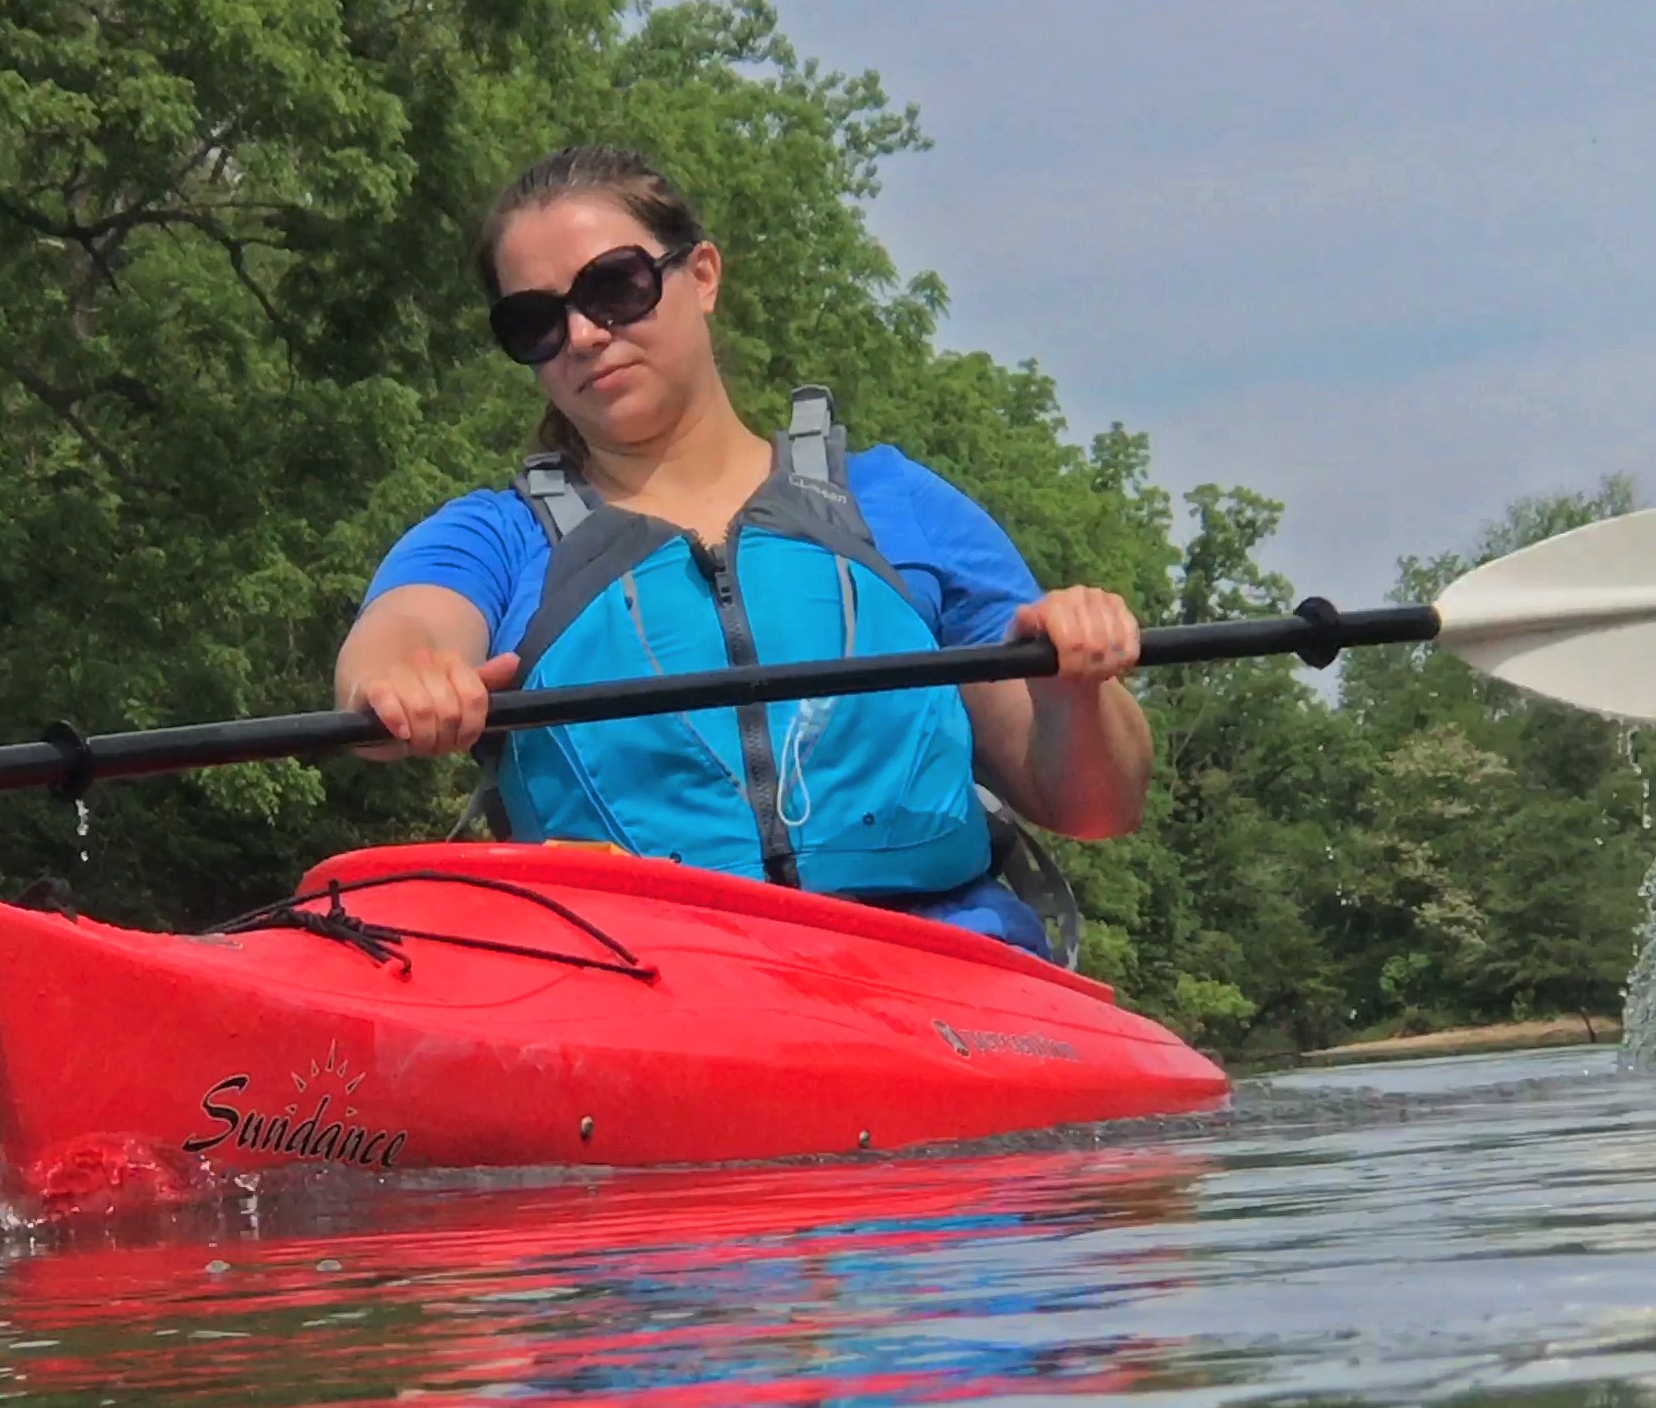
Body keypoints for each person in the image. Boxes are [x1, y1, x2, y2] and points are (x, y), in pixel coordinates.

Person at [336, 146, 1152, 956]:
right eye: (536, 321)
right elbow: (394, 642)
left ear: (703, 275)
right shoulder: (495, 537)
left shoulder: (898, 506)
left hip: (933, 976)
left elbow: (1095, 806)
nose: (584, 334)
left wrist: (1076, 687)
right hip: (640, 985)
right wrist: (405, 679)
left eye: (616, 286)